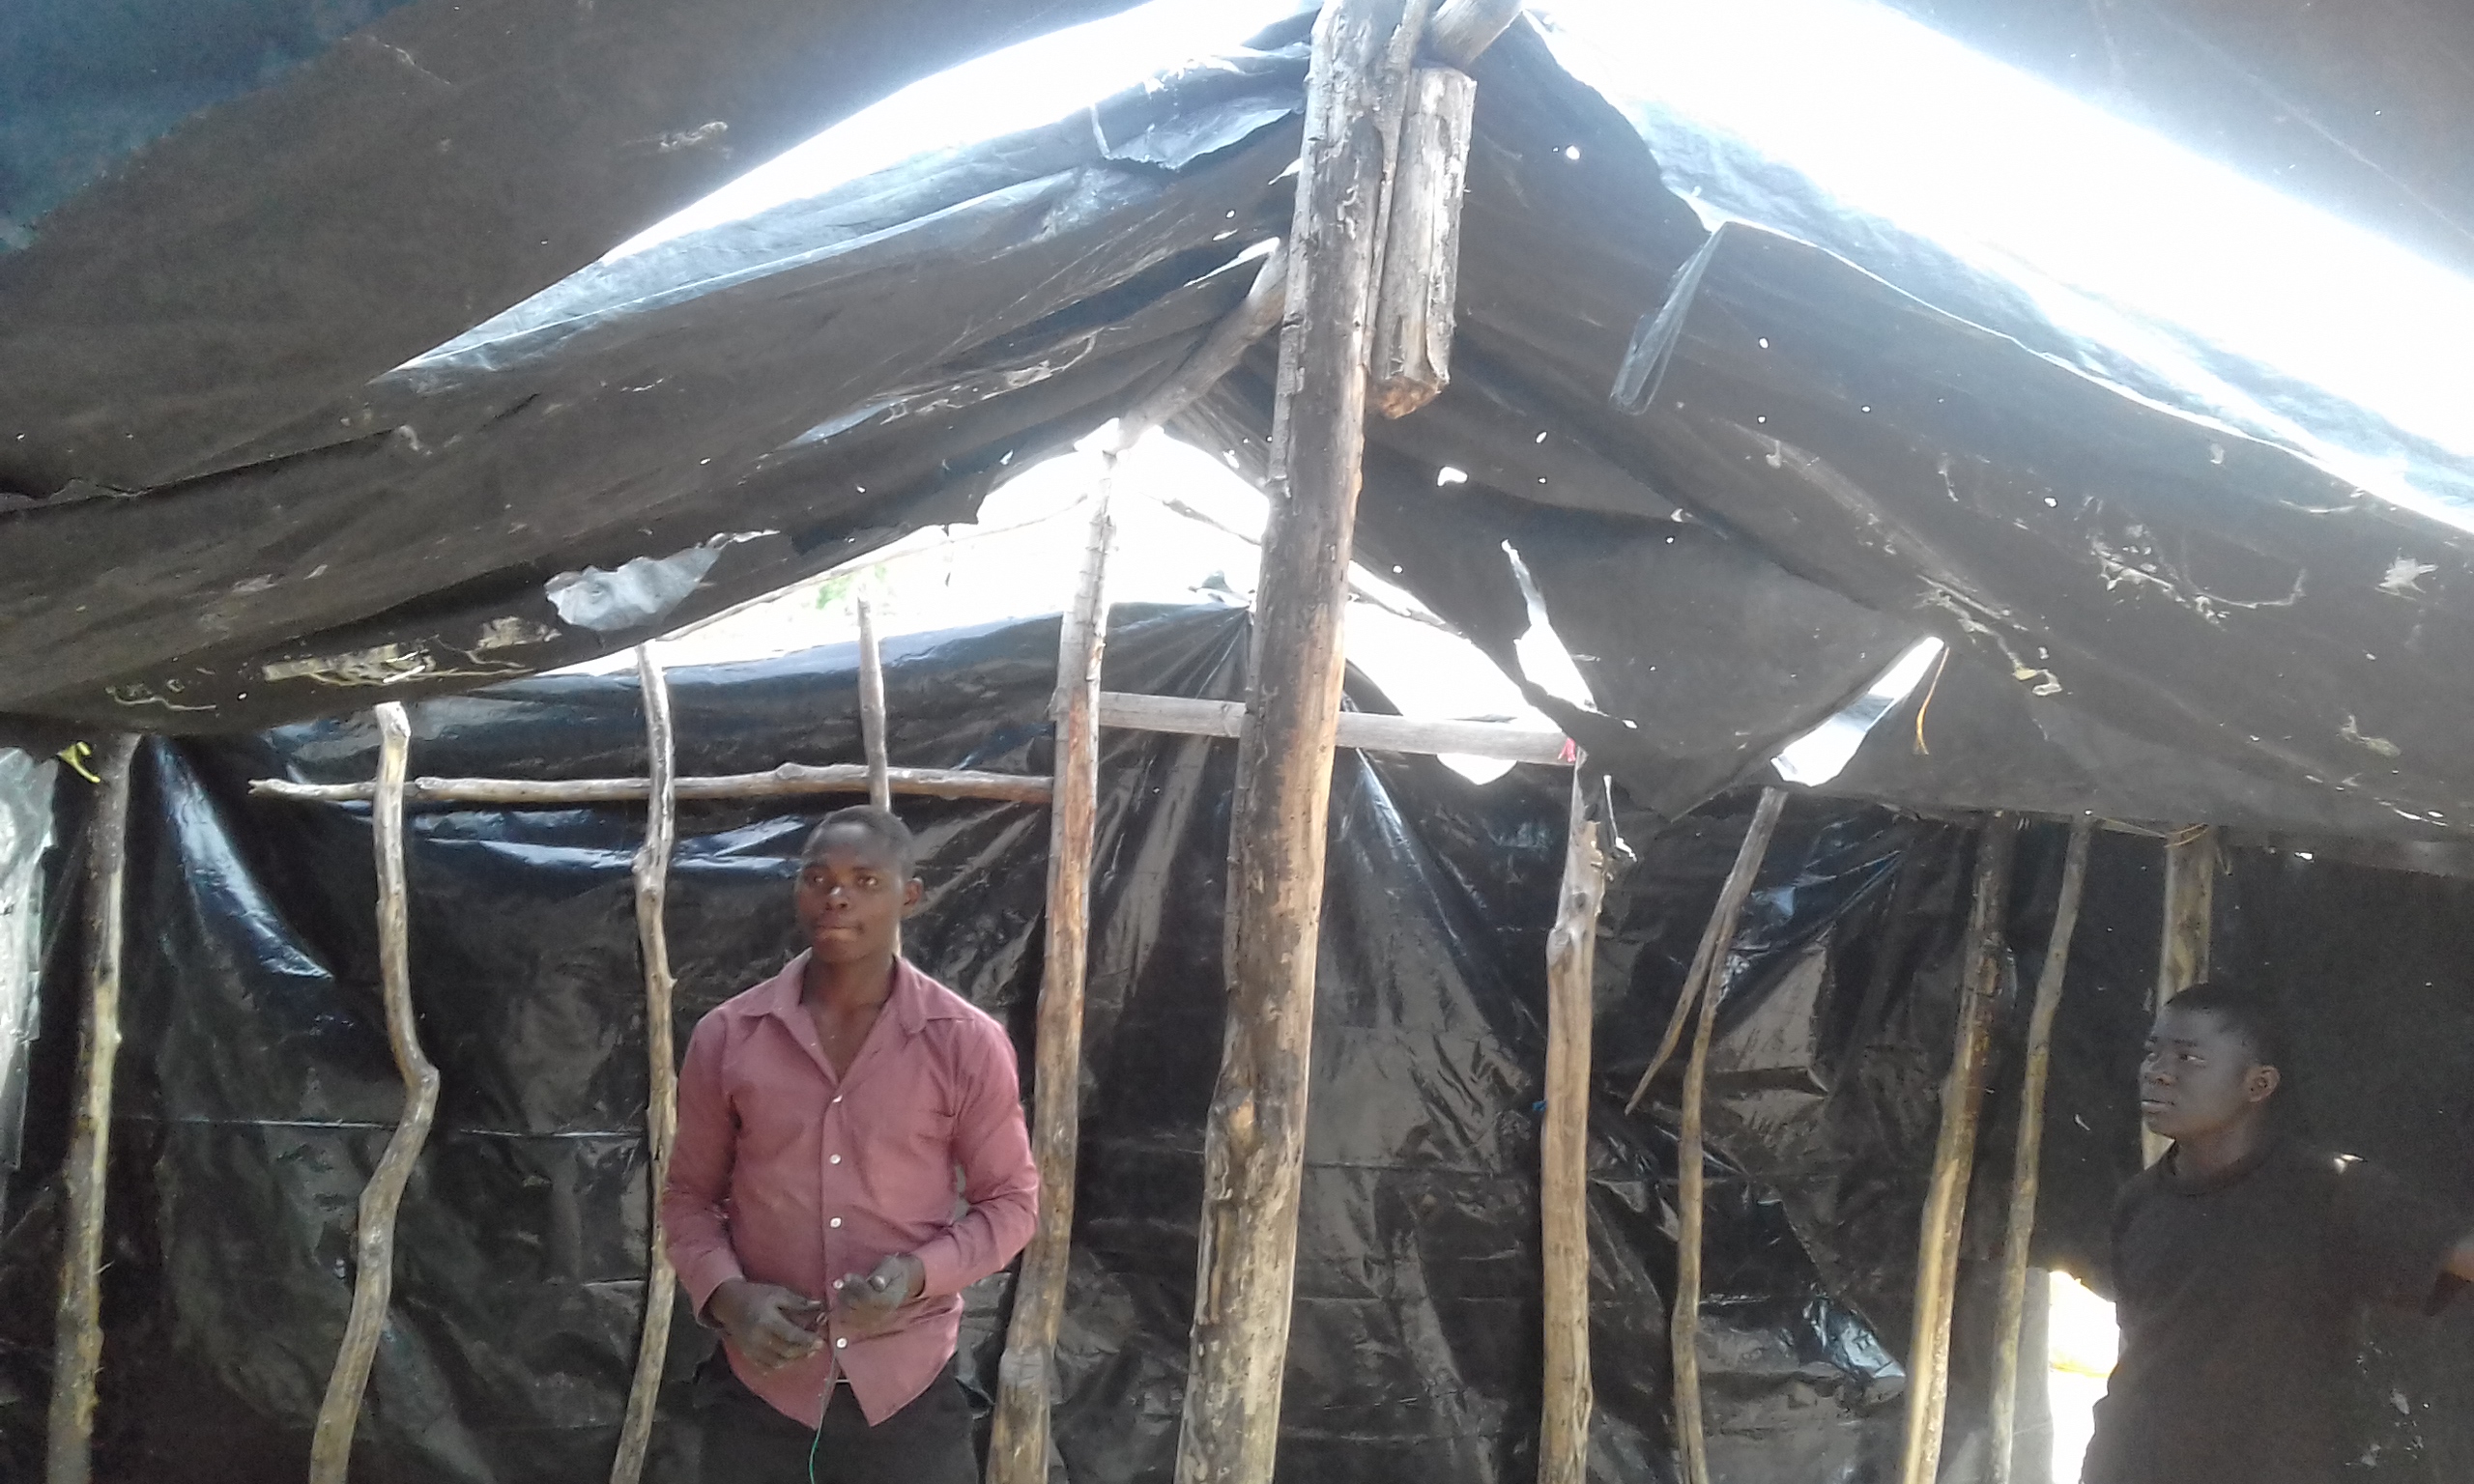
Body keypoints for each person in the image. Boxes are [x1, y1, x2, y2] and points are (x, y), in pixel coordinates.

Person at [661, 806, 1038, 1484]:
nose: (836, 896)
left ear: (910, 897)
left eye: (865, 881)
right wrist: (731, 1299)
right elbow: (688, 1199)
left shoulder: (963, 1042)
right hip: (760, 1393)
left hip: (906, 1392)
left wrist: (915, 1275)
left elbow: (1011, 1204)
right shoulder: (729, 1035)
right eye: (817, 878)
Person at [2081, 982, 2474, 1484]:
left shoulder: (2328, 1191)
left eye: (2189, 1058)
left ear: (2259, 1085)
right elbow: (2139, 1352)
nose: (2157, 1072)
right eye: (2152, 1052)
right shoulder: (2140, 1201)